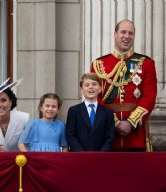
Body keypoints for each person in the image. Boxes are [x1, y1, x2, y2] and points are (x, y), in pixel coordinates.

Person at [91, 19, 157, 151]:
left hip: (135, 134)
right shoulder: (99, 64)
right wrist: (114, 122)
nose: (127, 36)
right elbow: (94, 97)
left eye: (130, 33)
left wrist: (130, 123)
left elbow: (149, 98)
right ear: (115, 34)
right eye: (123, 32)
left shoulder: (146, 64)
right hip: (108, 134)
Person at [66, 73, 115, 151]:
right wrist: (82, 154)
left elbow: (110, 137)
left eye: (94, 84)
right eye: (87, 85)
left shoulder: (108, 113)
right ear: (81, 90)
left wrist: (100, 155)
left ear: (100, 89)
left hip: (101, 157)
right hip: (79, 157)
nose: (91, 87)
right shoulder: (74, 111)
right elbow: (71, 135)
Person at [0, 78, 29, 152]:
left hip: (18, 161)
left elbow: (31, 145)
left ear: (10, 102)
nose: (0, 105)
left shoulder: (24, 118)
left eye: (3, 100)